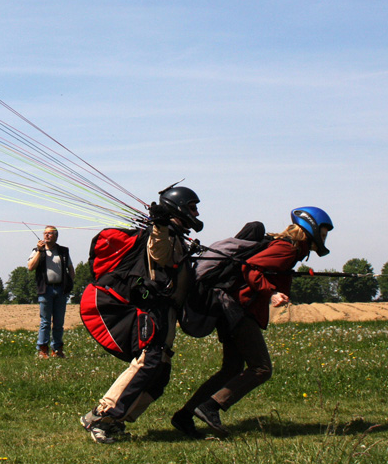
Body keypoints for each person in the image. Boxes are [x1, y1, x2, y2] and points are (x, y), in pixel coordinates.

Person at [171, 207, 333, 438]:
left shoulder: (290, 249)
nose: (324, 239)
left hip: (231, 306)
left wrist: (275, 290)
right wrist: (271, 292)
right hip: (238, 309)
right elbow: (251, 268)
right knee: (261, 368)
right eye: (323, 234)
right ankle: (210, 407)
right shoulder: (286, 248)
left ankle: (184, 416)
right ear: (310, 230)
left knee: (232, 368)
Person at [80, 185, 203, 444]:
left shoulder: (177, 236)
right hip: (151, 309)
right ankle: (103, 416)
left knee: (160, 374)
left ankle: (118, 421)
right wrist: (159, 226)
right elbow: (158, 255)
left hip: (167, 310)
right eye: (192, 207)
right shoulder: (159, 234)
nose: (196, 212)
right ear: (179, 207)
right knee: (149, 361)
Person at [28, 226, 75, 358]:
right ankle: (43, 349)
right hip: (45, 290)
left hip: (61, 290)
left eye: (50, 234)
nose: (46, 236)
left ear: (55, 236)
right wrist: (39, 250)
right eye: (45, 233)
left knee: (59, 322)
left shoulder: (63, 251)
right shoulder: (37, 251)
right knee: (45, 322)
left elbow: (71, 268)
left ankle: (57, 349)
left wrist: (70, 283)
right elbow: (31, 267)